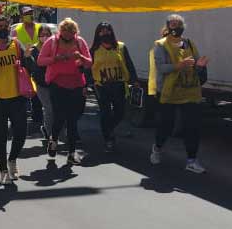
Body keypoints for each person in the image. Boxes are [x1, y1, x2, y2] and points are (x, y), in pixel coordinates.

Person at [0, 15, 36, 184]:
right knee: (0, 136)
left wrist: (27, 57)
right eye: (0, 26)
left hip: (17, 96)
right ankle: (3, 168)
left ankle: (13, 159)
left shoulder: (16, 44)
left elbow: (30, 66)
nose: (4, 29)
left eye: (6, 26)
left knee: (20, 133)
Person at [150, 14, 209, 174]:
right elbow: (161, 68)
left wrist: (200, 65)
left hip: (190, 91)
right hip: (170, 92)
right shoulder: (161, 45)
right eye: (172, 24)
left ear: (183, 27)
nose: (175, 27)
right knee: (166, 126)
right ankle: (157, 148)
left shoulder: (189, 43)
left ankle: (191, 160)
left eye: (178, 24)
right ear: (167, 27)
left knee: (192, 127)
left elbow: (196, 64)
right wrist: (180, 65)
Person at [37, 18, 92, 165]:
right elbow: (40, 61)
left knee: (72, 120)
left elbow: (89, 62)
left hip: (76, 84)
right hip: (57, 84)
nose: (68, 35)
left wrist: (80, 57)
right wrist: (55, 58)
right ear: (61, 31)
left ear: (75, 32)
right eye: (65, 31)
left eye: (71, 32)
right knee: (60, 117)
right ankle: (53, 140)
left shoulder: (80, 42)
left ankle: (71, 153)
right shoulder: (52, 41)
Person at [90, 22, 138, 153]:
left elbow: (129, 63)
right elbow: (88, 68)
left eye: (107, 30)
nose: (105, 33)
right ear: (98, 33)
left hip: (118, 85)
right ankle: (108, 139)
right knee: (105, 113)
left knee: (120, 112)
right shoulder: (94, 50)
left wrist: (134, 80)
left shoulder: (121, 47)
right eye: (102, 31)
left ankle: (108, 129)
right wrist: (87, 84)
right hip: (101, 86)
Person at [29, 24, 53, 141]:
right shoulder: (34, 49)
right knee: (48, 108)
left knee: (55, 108)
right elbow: (34, 66)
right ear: (38, 36)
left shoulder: (55, 47)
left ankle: (48, 128)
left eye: (47, 35)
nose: (44, 37)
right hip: (41, 83)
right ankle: (49, 133)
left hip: (54, 82)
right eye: (42, 35)